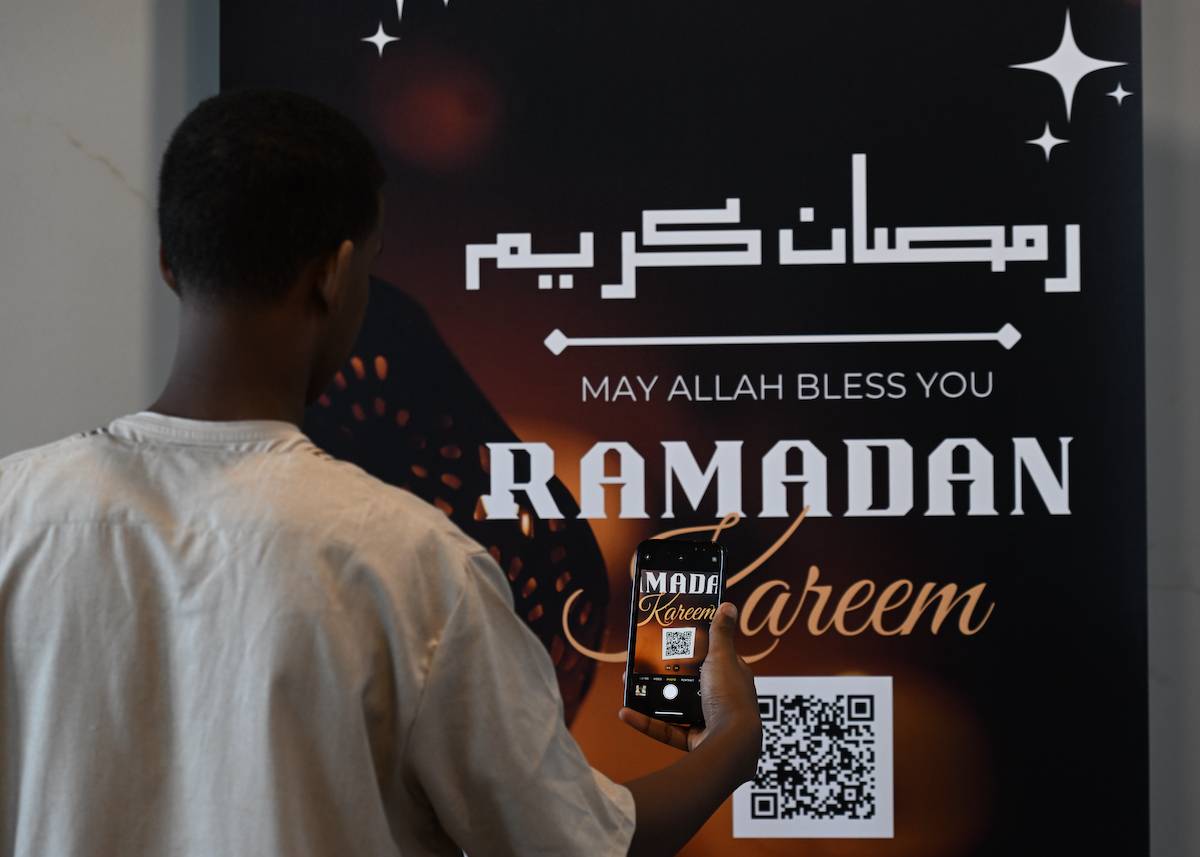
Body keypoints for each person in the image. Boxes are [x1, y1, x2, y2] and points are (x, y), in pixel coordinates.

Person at [0, 89, 762, 857]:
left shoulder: (12, 512)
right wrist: (732, 741)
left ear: (169, 262)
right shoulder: (415, 561)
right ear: (334, 273)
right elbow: (581, 847)